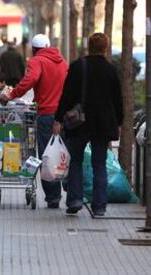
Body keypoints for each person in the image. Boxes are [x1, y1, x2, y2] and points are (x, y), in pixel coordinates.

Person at [53, 33, 123, 216]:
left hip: (80, 123)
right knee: (99, 164)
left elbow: (66, 95)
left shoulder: (78, 66)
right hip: (103, 123)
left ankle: (75, 199)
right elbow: (118, 100)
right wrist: (119, 122)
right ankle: (99, 207)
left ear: (89, 46)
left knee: (75, 160)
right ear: (105, 48)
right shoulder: (110, 69)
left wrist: (58, 118)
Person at [0, 34, 68, 209]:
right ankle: (70, 186)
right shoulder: (63, 62)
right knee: (63, 152)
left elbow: (30, 80)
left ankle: (53, 197)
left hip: (46, 115)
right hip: (64, 114)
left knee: (47, 155)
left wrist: (11, 94)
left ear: (34, 49)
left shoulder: (37, 61)